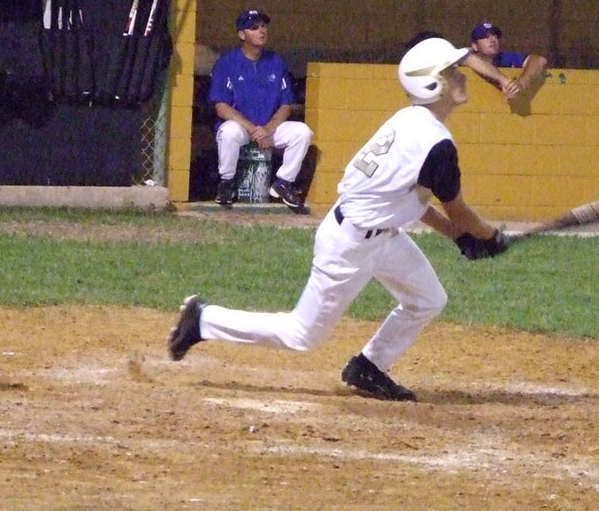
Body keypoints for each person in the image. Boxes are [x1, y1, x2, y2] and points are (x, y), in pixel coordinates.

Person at [168, 35, 507, 402]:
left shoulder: (411, 122)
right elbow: (459, 210)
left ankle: (369, 367)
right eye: (452, 72)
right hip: (350, 244)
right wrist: (488, 236)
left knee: (428, 299)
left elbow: (412, 198)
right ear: (431, 83)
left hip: (382, 235)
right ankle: (202, 319)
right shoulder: (434, 143)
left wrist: (458, 237)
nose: (461, 76)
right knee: (301, 335)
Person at [208, 8, 313, 212]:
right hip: (242, 129)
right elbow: (221, 107)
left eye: (263, 26)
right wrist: (253, 129)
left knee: (302, 132)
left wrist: (267, 129)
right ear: (242, 35)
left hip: (268, 130)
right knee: (228, 131)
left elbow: (286, 105)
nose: (261, 31)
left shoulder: (276, 62)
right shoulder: (227, 63)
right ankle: (226, 183)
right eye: (254, 27)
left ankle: (283, 183)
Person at [467, 22, 547, 101]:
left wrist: (520, 85)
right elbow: (469, 59)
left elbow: (539, 60)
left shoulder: (503, 57)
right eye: (485, 37)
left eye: (495, 36)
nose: (492, 40)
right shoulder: (466, 56)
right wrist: (504, 81)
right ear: (475, 46)